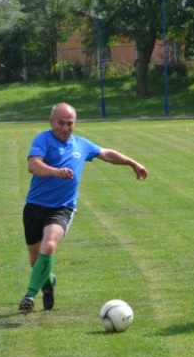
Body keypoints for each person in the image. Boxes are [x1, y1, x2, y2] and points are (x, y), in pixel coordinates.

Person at [19, 103, 148, 313]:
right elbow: (33, 165)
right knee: (36, 261)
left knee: (49, 244)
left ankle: (29, 296)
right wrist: (55, 171)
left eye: (70, 123)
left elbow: (107, 154)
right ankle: (48, 281)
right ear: (51, 122)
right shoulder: (43, 140)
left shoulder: (81, 144)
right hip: (35, 207)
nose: (65, 128)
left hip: (62, 208)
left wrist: (133, 163)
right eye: (61, 123)